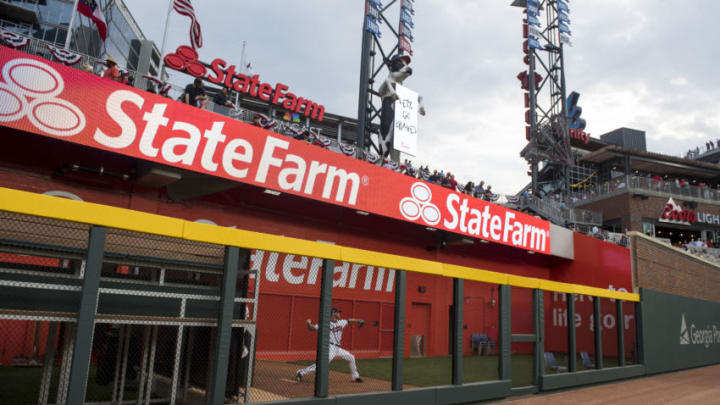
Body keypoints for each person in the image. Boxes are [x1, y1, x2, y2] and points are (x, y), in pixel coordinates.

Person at [296, 308, 365, 383]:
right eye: (338, 312)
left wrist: (359, 320)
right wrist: (308, 324)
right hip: (330, 347)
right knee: (323, 363)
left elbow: (349, 320)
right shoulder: (325, 323)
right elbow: (313, 328)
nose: (339, 314)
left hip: (338, 348)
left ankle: (355, 377)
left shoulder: (341, 322)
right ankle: (301, 372)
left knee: (351, 357)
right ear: (333, 314)